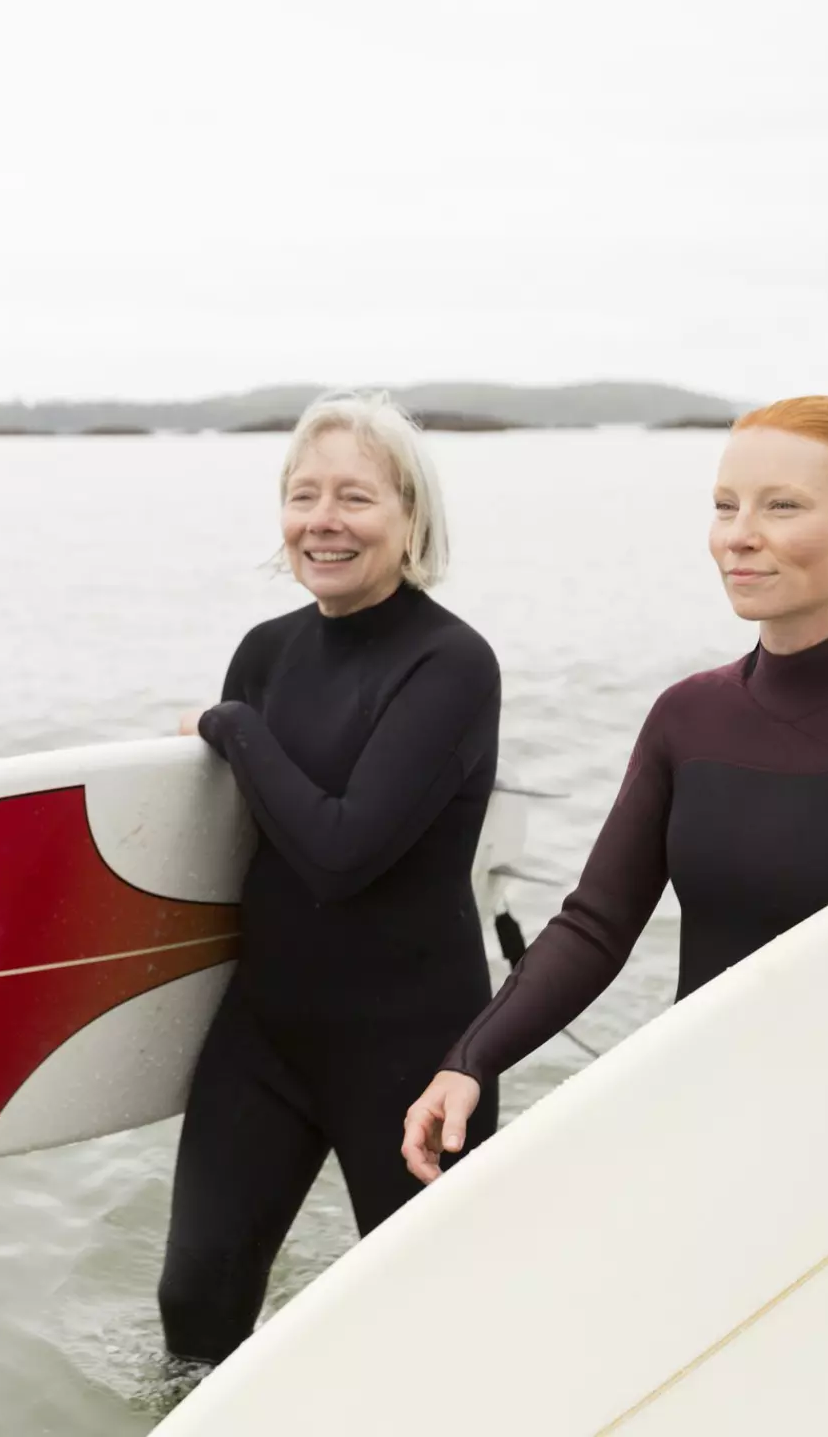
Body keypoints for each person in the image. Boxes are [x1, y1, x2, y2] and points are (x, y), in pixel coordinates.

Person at [400, 395, 828, 1418]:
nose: (738, 534)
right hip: (708, 1143)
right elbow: (595, 925)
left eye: (779, 505)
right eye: (724, 504)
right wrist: (470, 1062)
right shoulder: (687, 719)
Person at [158, 391, 502, 1364]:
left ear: (409, 517)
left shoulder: (449, 663)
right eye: (301, 494)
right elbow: (231, 851)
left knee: (435, 1332)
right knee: (193, 1309)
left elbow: (341, 853)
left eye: (353, 496)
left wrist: (229, 726)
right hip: (263, 1037)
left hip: (411, 1055)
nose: (322, 519)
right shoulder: (264, 652)